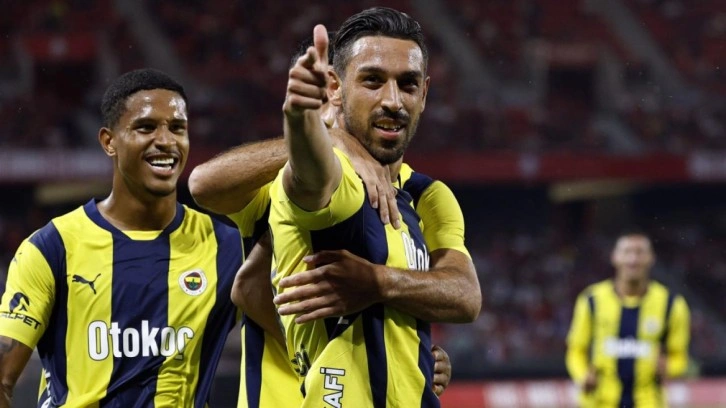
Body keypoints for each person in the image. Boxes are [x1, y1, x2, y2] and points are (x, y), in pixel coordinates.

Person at [188, 33, 456, 407]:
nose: (329, 114)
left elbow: (463, 295)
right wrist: (333, 140)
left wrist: (412, 355)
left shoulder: (418, 193)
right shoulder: (285, 182)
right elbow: (204, 186)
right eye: (319, 101)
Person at [273, 7, 480, 406]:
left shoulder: (425, 195)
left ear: (424, 94)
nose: (393, 101)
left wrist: (382, 289)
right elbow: (310, 173)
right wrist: (302, 120)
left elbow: (466, 296)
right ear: (334, 87)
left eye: (408, 84)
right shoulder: (338, 183)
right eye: (372, 80)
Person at [0, 69, 242, 407]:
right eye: (146, 127)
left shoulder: (226, 248)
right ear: (108, 141)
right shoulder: (52, 247)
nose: (166, 140)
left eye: (177, 128)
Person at [566, 230, 691, 408]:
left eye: (640, 253)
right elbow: (576, 350)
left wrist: (669, 368)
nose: (633, 260)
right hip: (600, 402)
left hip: (649, 402)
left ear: (651, 258)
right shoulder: (591, 300)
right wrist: (582, 375)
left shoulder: (672, 304)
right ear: (615, 257)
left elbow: (680, 357)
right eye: (627, 252)